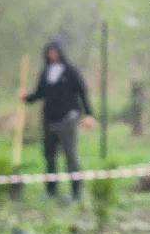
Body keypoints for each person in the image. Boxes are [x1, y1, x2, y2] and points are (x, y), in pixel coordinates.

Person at [19, 39, 96, 202]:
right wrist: (26, 98)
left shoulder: (71, 71)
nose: (52, 54)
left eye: (55, 51)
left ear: (61, 52)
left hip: (68, 118)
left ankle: (76, 192)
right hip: (49, 119)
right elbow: (40, 93)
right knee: (49, 155)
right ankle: (51, 190)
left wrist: (88, 114)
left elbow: (82, 92)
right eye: (50, 51)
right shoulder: (46, 72)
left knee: (70, 155)